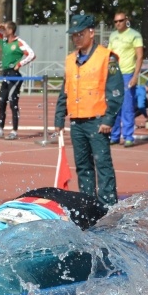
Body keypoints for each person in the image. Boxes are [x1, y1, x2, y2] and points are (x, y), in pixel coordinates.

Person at [54, 14, 124, 207]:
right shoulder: (70, 60)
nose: (76, 38)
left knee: (103, 165)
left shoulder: (106, 57)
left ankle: (108, 205)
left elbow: (116, 91)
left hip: (97, 121)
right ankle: (88, 203)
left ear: (91, 33)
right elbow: (65, 89)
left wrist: (108, 119)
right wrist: (59, 117)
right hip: (77, 122)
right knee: (83, 166)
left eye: (80, 34)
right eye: (73, 35)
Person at [0, 21, 36, 140]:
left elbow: (31, 54)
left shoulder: (19, 42)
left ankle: (14, 131)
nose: (3, 31)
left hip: (14, 76)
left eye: (5, 29)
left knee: (13, 102)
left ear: (11, 31)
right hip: (5, 75)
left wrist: (19, 64)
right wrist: (0, 25)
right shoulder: (4, 41)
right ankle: (0, 129)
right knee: (1, 102)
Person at [108, 11, 144, 147]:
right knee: (114, 106)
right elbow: (109, 56)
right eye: (116, 21)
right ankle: (115, 135)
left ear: (126, 20)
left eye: (121, 20)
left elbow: (140, 56)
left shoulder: (135, 35)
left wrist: (135, 76)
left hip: (128, 74)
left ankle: (128, 136)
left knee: (127, 106)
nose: (118, 23)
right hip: (114, 74)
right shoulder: (113, 36)